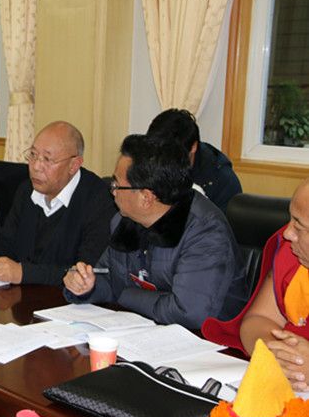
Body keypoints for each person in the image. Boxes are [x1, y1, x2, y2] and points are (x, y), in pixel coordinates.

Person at [63, 134, 248, 329]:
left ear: (146, 197)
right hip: (145, 331)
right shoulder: (124, 221)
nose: (113, 191)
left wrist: (126, 294)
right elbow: (108, 278)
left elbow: (188, 312)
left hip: (209, 341)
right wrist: (86, 286)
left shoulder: (206, 232)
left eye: (116, 185)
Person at [0, 121, 115, 285]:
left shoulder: (98, 200)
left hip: (67, 301)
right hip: (24, 296)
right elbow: (6, 243)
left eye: (47, 159)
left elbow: (85, 273)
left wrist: (23, 273)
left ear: (74, 165)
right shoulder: (26, 190)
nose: (36, 166)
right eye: (33, 155)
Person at [202, 179, 309, 391]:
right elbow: (259, 319)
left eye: (298, 226)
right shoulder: (292, 256)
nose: (287, 233)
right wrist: (274, 353)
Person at [147, 108, 241, 212]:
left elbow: (221, 222)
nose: (164, 163)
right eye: (158, 155)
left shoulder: (222, 181)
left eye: (172, 157)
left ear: (193, 147)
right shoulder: (147, 163)